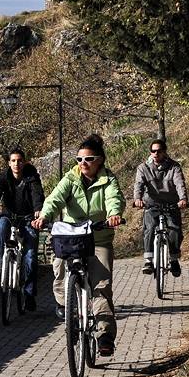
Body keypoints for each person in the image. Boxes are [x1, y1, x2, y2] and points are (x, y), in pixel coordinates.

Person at [32, 134, 125, 356]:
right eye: (79, 159)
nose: (83, 163)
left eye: (89, 159)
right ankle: (69, 312)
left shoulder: (108, 180)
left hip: (98, 238)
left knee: (101, 287)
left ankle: (104, 335)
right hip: (72, 237)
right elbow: (55, 199)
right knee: (60, 268)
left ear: (100, 160)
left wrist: (114, 214)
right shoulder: (70, 179)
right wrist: (44, 216)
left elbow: (114, 198)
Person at [0, 147, 45, 311]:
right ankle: (3, 257)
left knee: (30, 256)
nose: (16, 163)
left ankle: (29, 294)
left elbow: (37, 194)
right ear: (9, 163)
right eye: (13, 160)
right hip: (9, 216)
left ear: (24, 162)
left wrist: (38, 208)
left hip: (28, 219)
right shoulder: (4, 177)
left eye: (19, 160)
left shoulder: (31, 176)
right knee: (1, 227)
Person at [133, 139, 188, 277]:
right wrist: (137, 199)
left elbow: (179, 183)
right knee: (149, 228)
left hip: (171, 204)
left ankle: (174, 260)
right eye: (153, 151)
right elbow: (138, 184)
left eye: (159, 151)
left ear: (164, 152)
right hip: (151, 204)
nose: (156, 153)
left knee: (174, 230)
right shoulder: (143, 168)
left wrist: (183, 199)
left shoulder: (174, 167)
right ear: (150, 152)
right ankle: (148, 261)